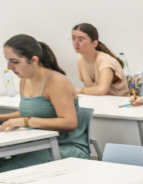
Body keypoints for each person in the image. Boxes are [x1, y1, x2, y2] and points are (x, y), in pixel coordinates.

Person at [0, 35, 89, 168]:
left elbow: (70, 122)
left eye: (15, 61)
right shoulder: (24, 79)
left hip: (65, 148)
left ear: (34, 60)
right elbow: (32, 111)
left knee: (5, 170)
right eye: (7, 60)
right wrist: (3, 118)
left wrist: (25, 121)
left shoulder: (56, 82)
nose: (9, 67)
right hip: (37, 144)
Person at [71, 23, 128, 96]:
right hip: (98, 103)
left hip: (119, 104)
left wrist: (79, 90)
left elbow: (101, 90)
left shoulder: (106, 61)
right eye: (73, 38)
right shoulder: (80, 60)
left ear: (94, 43)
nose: (75, 43)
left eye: (81, 40)